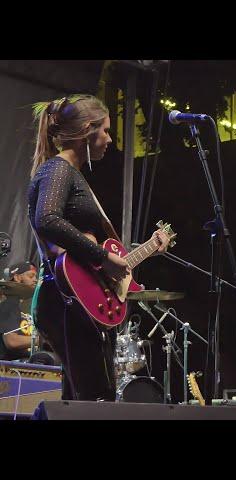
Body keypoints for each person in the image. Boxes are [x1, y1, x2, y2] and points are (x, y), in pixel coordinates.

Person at [27, 95, 170, 401]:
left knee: (85, 394)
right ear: (88, 129)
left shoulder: (67, 172)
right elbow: (47, 218)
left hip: (73, 298)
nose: (108, 139)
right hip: (63, 298)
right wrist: (103, 256)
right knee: (95, 395)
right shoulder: (58, 169)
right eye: (105, 130)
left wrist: (122, 255)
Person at [0, 261, 37, 361]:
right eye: (31, 276)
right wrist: (40, 341)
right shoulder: (8, 305)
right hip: (13, 366)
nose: (35, 280)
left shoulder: (25, 306)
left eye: (35, 277)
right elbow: (11, 341)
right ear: (17, 277)